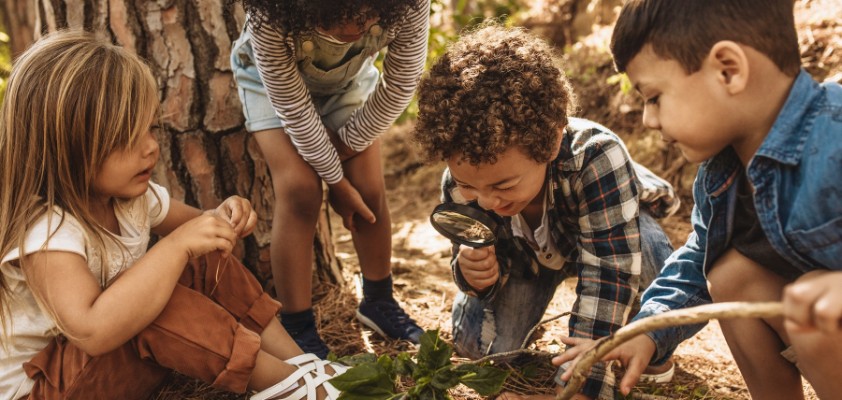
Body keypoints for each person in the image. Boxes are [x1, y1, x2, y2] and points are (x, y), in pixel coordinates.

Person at [0, 31, 348, 400]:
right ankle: (289, 388)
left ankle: (300, 365)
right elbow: (92, 331)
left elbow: (202, 229)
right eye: (125, 138)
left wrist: (223, 216)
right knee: (158, 302)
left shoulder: (130, 199)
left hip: (107, 369)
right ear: (63, 149)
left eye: (150, 128)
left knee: (203, 259)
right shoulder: (48, 232)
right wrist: (176, 247)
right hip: (48, 389)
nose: (151, 148)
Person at [555, 0, 842, 399]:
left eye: (654, 97)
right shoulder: (720, 173)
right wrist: (645, 333)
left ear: (728, 69)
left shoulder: (834, 135)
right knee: (729, 274)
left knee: (816, 291)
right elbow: (696, 261)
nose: (648, 120)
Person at [411, 23, 680, 400]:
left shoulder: (597, 157)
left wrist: (581, 386)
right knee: (478, 347)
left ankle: (649, 351)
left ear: (551, 141)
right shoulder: (462, 182)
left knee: (650, 256)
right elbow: (469, 252)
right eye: (471, 186)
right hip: (526, 260)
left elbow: (609, 273)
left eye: (503, 186)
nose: (486, 201)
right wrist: (475, 275)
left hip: (608, 236)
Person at [229, 0, 430, 358]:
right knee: (300, 190)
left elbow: (400, 85)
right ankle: (297, 324)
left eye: (367, 16)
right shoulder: (270, 15)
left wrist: (344, 150)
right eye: (334, 18)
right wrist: (335, 183)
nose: (353, 29)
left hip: (348, 83)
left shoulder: (410, 5)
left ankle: (379, 303)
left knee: (368, 190)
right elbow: (293, 108)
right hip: (270, 87)